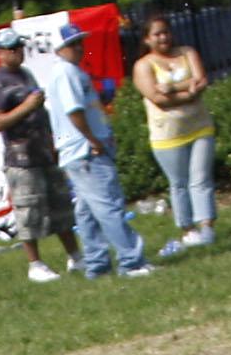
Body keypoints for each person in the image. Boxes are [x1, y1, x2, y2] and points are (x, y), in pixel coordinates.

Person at [30, 32, 152, 280]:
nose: (79, 47)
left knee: (87, 212)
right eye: (71, 44)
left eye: (80, 42)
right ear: (58, 49)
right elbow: (74, 111)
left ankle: (97, 264)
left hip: (78, 151)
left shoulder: (68, 72)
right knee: (109, 205)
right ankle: (132, 261)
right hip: (85, 151)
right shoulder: (67, 73)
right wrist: (93, 140)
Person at [0, 27, 75, 287]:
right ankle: (35, 264)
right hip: (21, 159)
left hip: (43, 151)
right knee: (29, 211)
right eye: (11, 49)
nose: (18, 53)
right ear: (0, 53)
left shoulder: (26, 74)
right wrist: (27, 107)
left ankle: (75, 256)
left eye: (19, 48)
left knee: (61, 205)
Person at [132, 17, 219, 252]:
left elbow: (201, 81)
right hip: (167, 135)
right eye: (157, 34)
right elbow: (157, 99)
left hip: (200, 126)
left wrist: (173, 88)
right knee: (179, 183)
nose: (163, 38)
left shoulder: (187, 52)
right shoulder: (143, 66)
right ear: (147, 39)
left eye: (166, 32)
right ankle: (187, 229)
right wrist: (188, 91)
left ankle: (207, 227)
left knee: (201, 178)